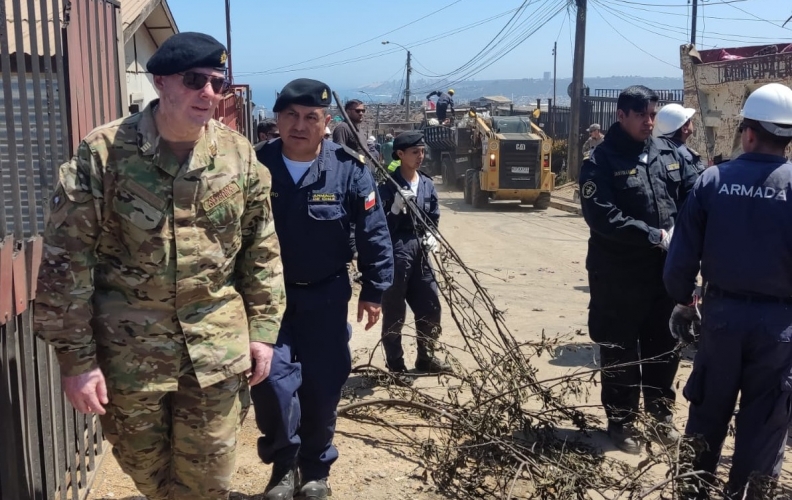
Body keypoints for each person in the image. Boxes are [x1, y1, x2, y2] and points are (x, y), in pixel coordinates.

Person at [33, 32, 285, 500]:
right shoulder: (104, 154)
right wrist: (77, 361)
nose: (209, 94)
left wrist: (263, 331)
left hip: (215, 350)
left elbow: (261, 249)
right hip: (131, 358)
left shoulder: (237, 156)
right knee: (148, 475)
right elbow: (67, 261)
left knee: (208, 483)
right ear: (160, 83)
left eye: (217, 82)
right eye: (195, 81)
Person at [253, 78, 394, 500]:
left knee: (323, 385)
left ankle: (315, 470)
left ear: (326, 122)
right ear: (276, 119)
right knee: (271, 382)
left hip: (326, 295)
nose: (300, 125)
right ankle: (282, 467)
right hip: (266, 298)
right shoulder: (253, 166)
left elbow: (374, 232)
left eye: (310, 117)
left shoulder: (349, 168)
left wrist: (375, 288)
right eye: (291, 116)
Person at [664, 83, 792, 499]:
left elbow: (680, 260)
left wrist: (685, 301)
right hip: (779, 328)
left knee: (707, 414)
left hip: (720, 319)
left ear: (748, 133)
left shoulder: (713, 180)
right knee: (765, 421)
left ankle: (693, 490)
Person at [578, 85, 699, 454]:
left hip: (664, 275)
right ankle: (622, 422)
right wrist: (651, 235)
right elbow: (601, 216)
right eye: (641, 115)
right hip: (618, 276)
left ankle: (661, 417)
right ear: (621, 116)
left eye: (652, 114)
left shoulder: (668, 153)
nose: (649, 122)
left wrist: (687, 230)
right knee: (620, 350)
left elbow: (693, 195)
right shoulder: (601, 161)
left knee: (664, 347)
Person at [378, 131, 450, 374]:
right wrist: (395, 210)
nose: (420, 156)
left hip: (421, 250)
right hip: (397, 250)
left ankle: (426, 358)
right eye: (415, 152)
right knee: (395, 310)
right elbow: (378, 226)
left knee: (430, 304)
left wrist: (432, 234)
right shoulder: (387, 186)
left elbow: (433, 216)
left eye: (422, 152)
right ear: (400, 155)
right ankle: (396, 365)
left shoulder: (427, 184)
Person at [653, 103, 706, 173]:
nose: (692, 122)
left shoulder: (654, 148)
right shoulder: (686, 156)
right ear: (684, 128)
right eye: (689, 120)